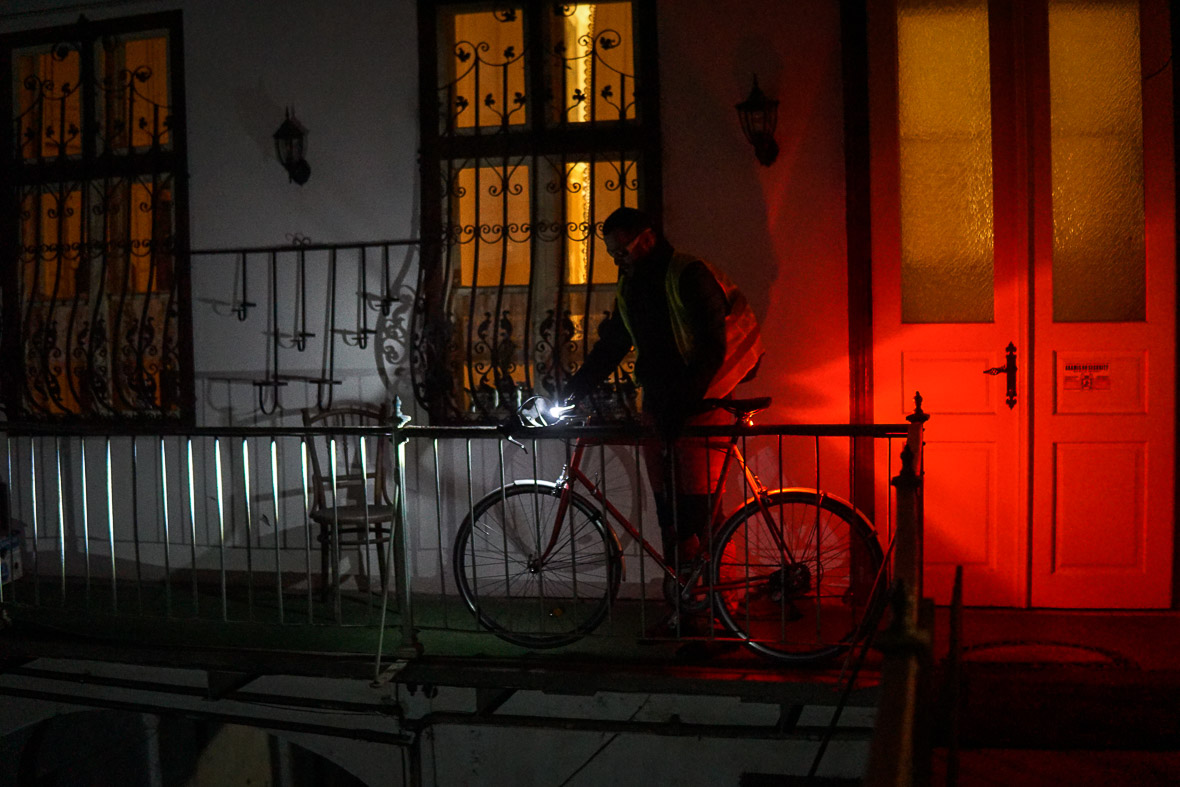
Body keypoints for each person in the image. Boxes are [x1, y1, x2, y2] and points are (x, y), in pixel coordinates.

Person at [563, 207, 763, 626]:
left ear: (648, 238)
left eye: (622, 250)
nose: (618, 260)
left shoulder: (687, 274)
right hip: (659, 406)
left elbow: (711, 348)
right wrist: (577, 386)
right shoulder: (631, 284)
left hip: (701, 404)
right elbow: (615, 342)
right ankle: (690, 607)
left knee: (698, 510)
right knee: (669, 510)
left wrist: (685, 403)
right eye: (612, 253)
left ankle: (721, 608)